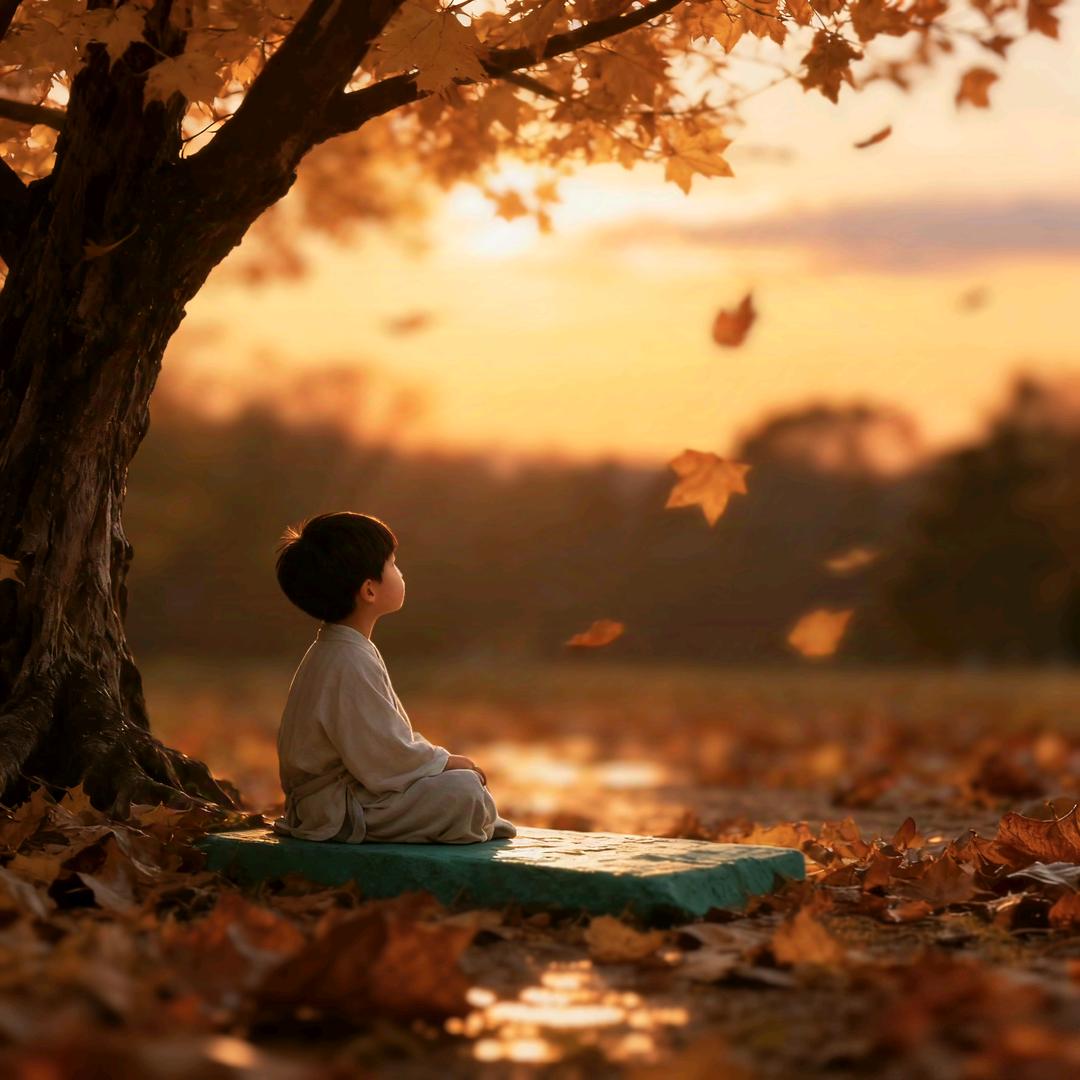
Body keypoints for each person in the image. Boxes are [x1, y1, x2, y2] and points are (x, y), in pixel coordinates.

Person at [271, 511, 516, 844]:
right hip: (339, 811)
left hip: (345, 798)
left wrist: (438, 766)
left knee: (463, 789)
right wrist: (444, 762)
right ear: (369, 591)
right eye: (393, 564)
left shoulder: (341, 648)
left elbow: (382, 745)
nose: (400, 572)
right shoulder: (347, 659)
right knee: (463, 792)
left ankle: (474, 817)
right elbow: (384, 756)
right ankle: (472, 817)